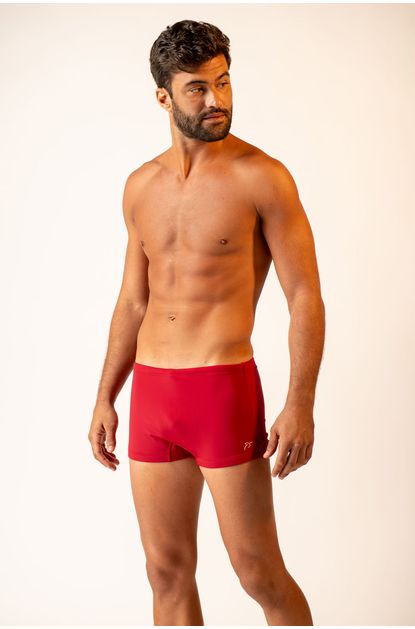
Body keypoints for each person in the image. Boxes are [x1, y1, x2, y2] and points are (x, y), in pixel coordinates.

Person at [88, 19, 325, 626]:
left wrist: (300, 402)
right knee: (165, 572)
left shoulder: (262, 177)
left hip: (222, 389)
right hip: (152, 394)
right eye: (197, 88)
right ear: (163, 96)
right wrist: (106, 395)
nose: (216, 99)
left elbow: (304, 294)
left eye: (223, 82)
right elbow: (132, 302)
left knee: (258, 572)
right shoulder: (140, 186)